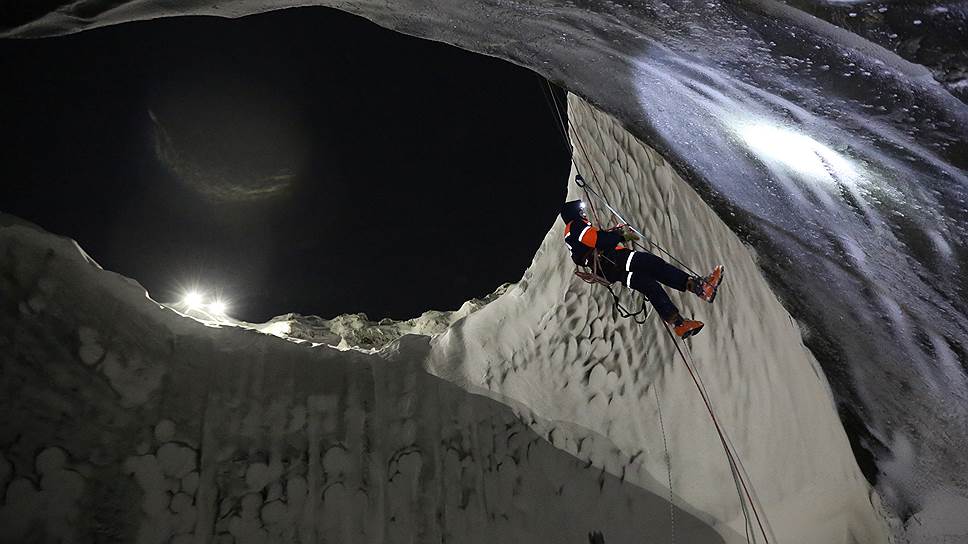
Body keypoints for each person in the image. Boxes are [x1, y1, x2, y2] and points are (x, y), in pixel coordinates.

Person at [560, 181, 723, 338]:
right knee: (654, 265)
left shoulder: (570, 236)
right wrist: (619, 235)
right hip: (614, 259)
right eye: (581, 211)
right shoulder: (575, 225)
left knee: (649, 285)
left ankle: (679, 324)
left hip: (609, 270)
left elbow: (590, 247)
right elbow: (598, 240)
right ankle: (701, 288)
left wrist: (615, 235)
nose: (584, 214)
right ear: (574, 214)